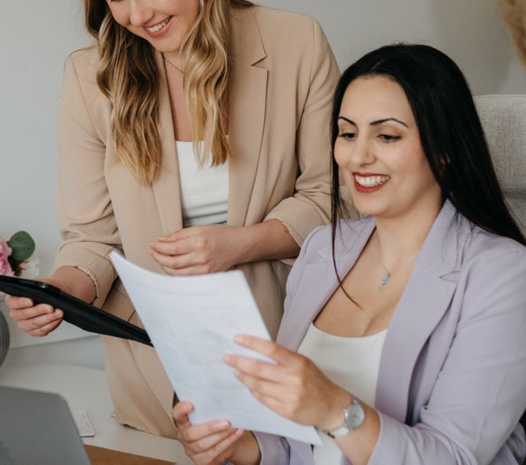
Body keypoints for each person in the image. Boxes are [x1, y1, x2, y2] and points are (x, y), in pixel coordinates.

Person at [5, 0, 340, 438]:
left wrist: (239, 244)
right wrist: (62, 290)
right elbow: (92, 237)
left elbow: (334, 200)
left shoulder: (296, 44)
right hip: (151, 372)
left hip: (280, 349)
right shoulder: (91, 79)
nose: (137, 15)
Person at [173, 44, 526, 464]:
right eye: (347, 133)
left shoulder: (502, 273)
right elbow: (294, 445)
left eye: (387, 135)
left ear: (445, 147)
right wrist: (237, 446)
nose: (357, 157)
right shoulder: (324, 248)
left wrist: (335, 409)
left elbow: (454, 457)